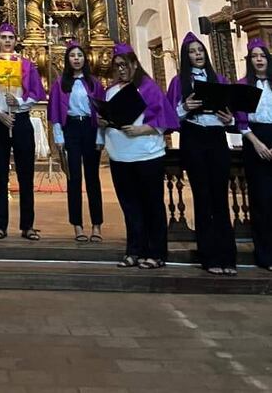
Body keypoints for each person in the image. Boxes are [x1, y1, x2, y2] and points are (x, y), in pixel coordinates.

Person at [102, 43, 179, 270]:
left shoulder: (148, 88)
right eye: (117, 66)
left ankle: (156, 253)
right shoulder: (111, 91)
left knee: (152, 205)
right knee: (130, 207)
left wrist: (141, 129)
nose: (121, 70)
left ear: (135, 64)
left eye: (125, 65)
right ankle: (134, 250)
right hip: (120, 156)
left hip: (146, 155)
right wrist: (103, 121)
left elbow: (165, 120)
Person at [166, 32, 236, 275]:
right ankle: (209, 257)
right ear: (186, 57)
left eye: (200, 51)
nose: (197, 55)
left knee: (220, 199)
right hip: (194, 137)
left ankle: (228, 257)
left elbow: (234, 112)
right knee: (203, 197)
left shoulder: (219, 79)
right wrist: (184, 108)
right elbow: (169, 115)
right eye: (192, 52)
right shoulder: (179, 82)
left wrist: (230, 119)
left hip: (216, 137)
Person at [0, 23, 45, 240]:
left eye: (11, 37)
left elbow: (36, 94)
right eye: (3, 37)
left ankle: (27, 225)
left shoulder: (27, 65)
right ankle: (1, 224)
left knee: (26, 175)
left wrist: (19, 103)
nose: (7, 41)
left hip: (21, 120)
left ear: (16, 41)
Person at [47, 40, 104, 243]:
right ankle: (77, 225)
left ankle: (96, 225)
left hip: (89, 128)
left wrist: (100, 136)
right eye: (73, 55)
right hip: (70, 129)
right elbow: (54, 112)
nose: (76, 59)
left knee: (92, 179)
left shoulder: (94, 83)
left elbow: (101, 111)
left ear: (84, 59)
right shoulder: (59, 84)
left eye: (80, 55)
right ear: (67, 59)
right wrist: (59, 137)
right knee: (74, 178)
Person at [235, 37, 272, 271]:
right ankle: (266, 255)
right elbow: (240, 119)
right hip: (253, 140)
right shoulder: (243, 85)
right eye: (255, 57)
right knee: (261, 201)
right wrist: (256, 143)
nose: (259, 60)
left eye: (262, 56)